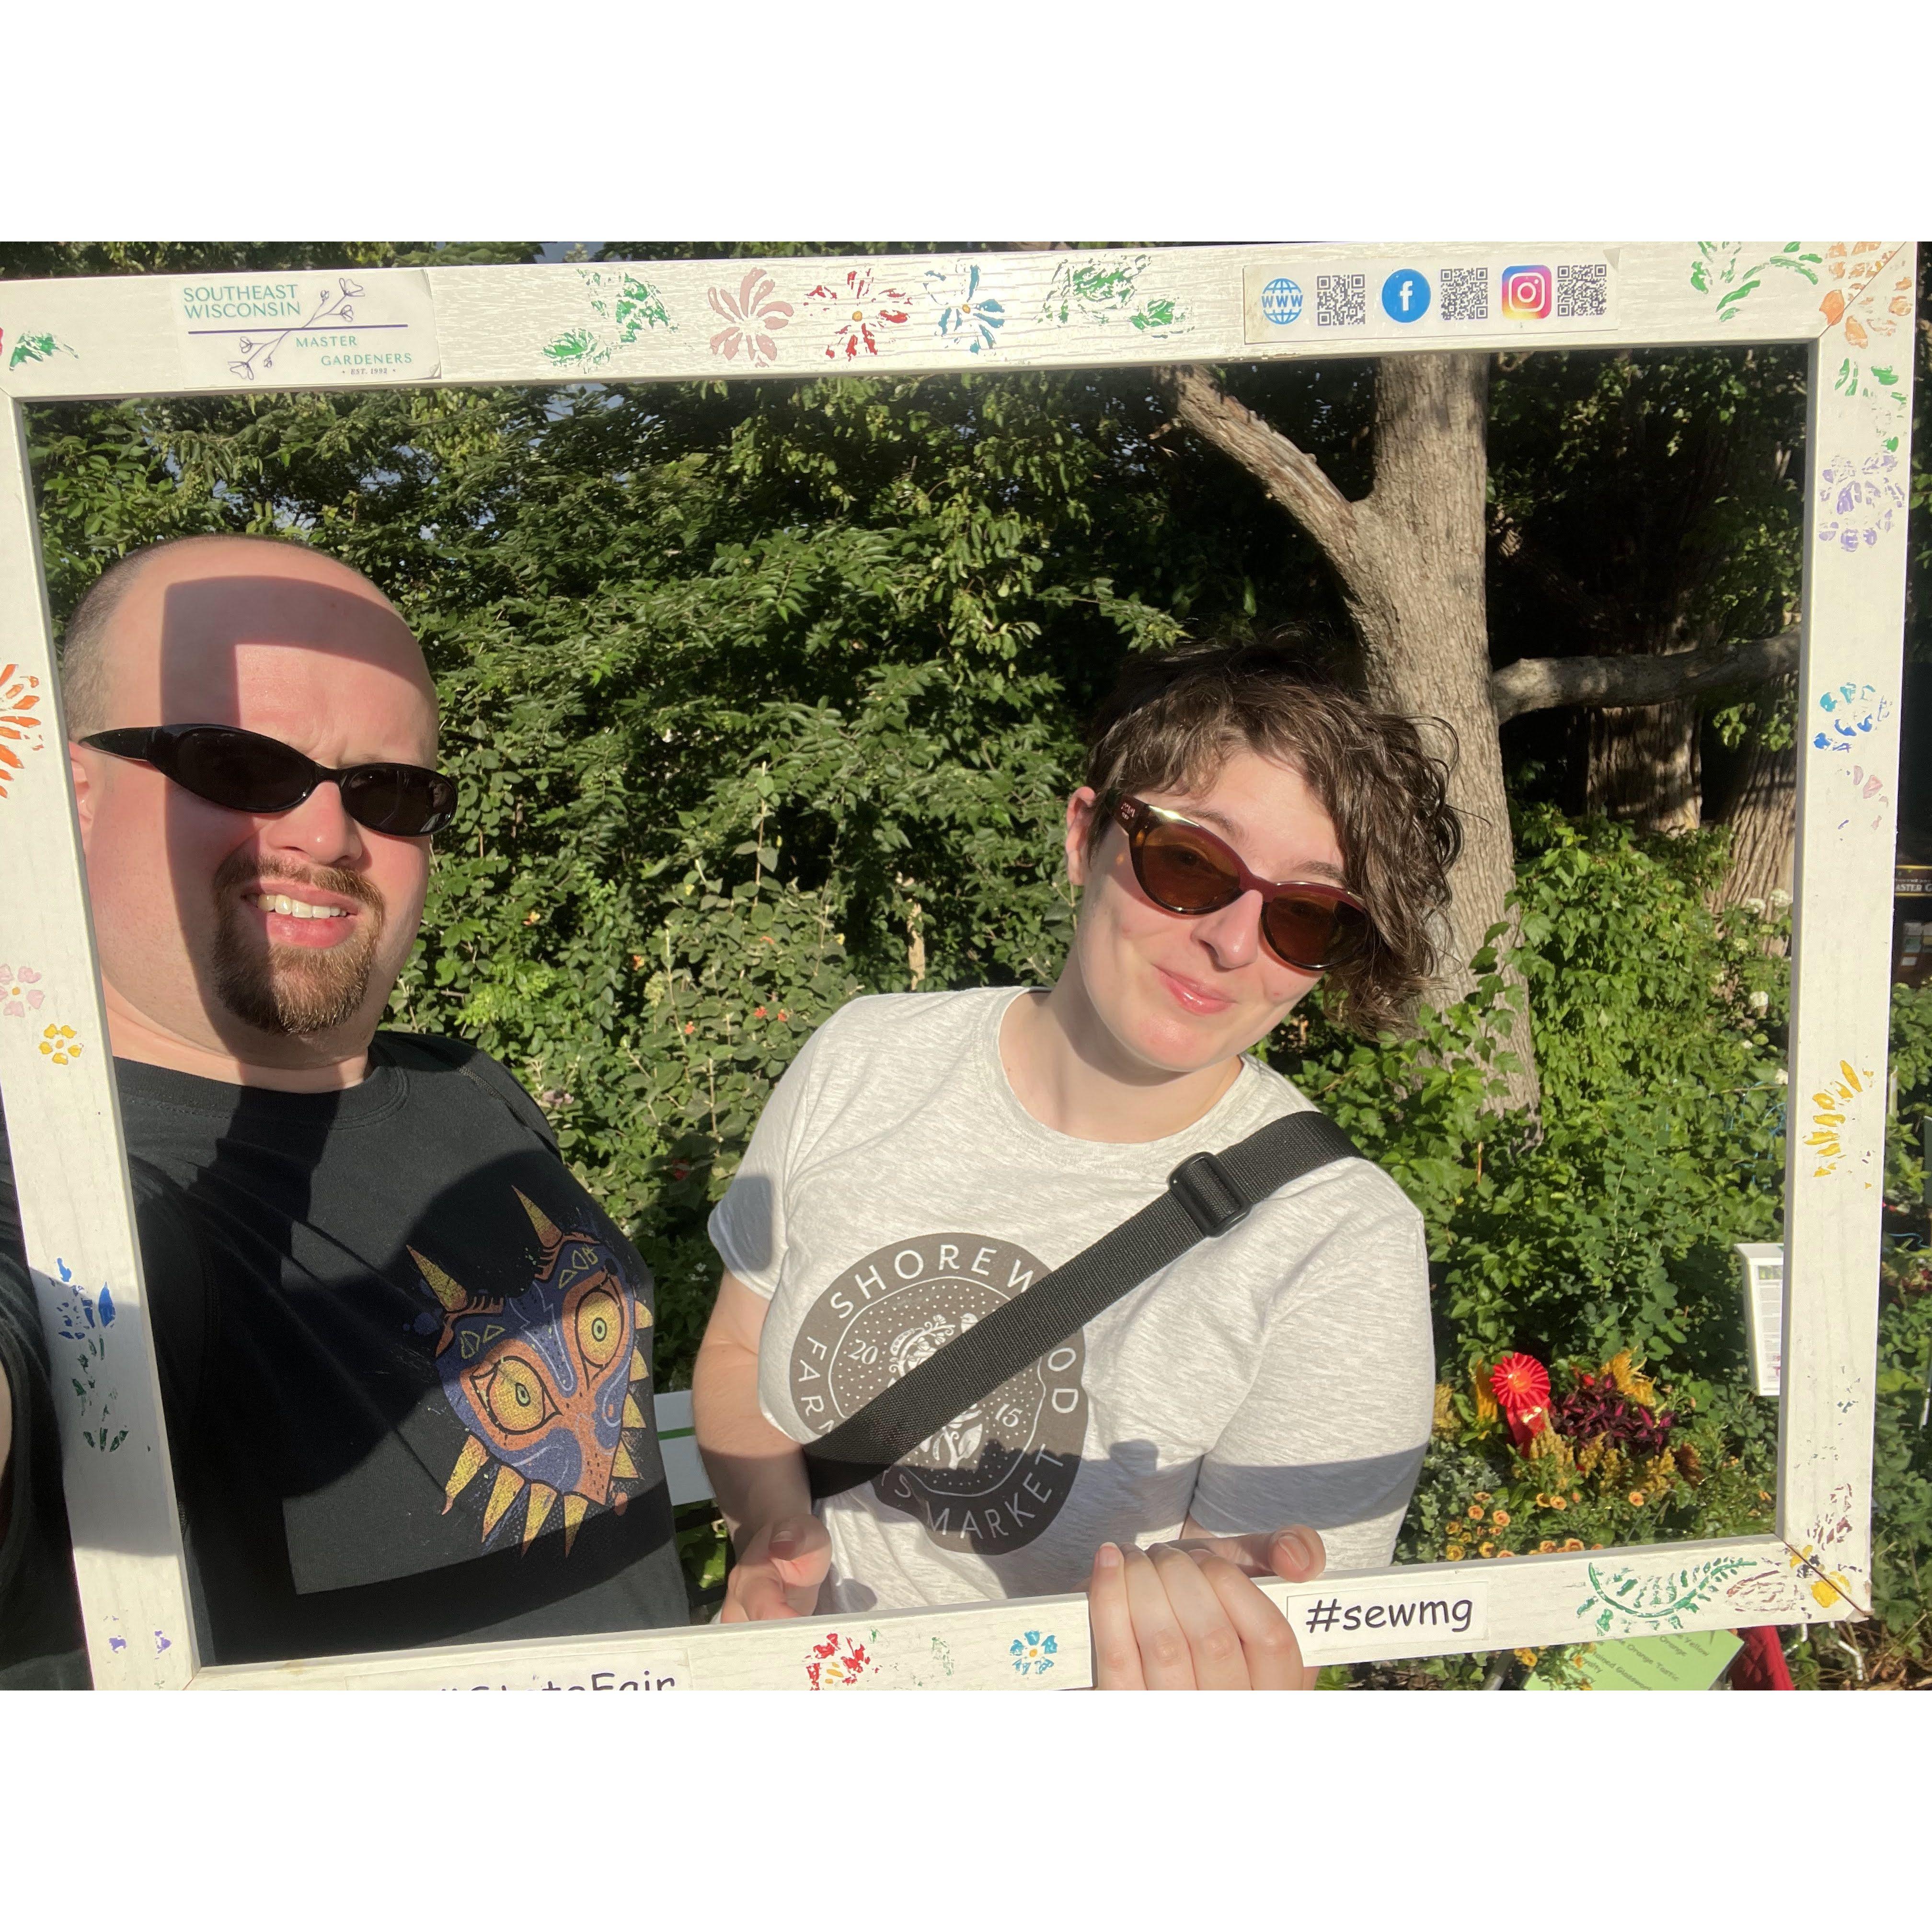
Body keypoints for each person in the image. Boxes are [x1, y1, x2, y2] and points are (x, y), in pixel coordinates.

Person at [694, 640, 1456, 1689]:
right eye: (1191, 864)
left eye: (1303, 915)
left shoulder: (1337, 1240)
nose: (1237, 943)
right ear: (1085, 835)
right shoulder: (863, 1057)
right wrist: (772, 1534)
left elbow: (1262, 1662)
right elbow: (737, 1357)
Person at [0, 534, 685, 1688]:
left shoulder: (464, 1090)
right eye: (236, 764)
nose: (328, 834)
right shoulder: (65, 1181)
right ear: (64, 797)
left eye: (388, 790)